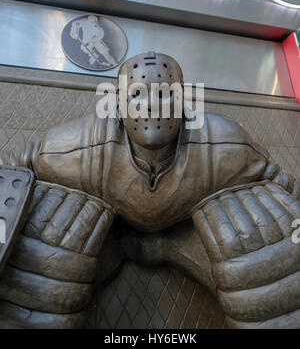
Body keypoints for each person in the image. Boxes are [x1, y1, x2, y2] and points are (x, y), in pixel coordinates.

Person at [0, 51, 299, 329]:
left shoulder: (223, 145)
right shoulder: (79, 147)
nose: (152, 107)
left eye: (166, 95)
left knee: (259, 230)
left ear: (183, 105)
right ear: (118, 107)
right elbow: (12, 168)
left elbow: (283, 185)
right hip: (107, 235)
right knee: (47, 241)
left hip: (188, 233)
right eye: (138, 95)